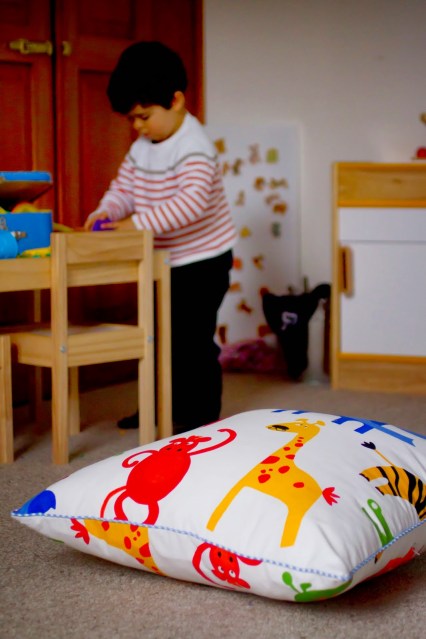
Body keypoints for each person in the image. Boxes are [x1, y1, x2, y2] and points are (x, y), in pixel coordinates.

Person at [84, 41, 237, 433]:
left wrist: (134, 225)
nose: (138, 126)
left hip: (202, 261)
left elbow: (191, 204)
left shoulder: (194, 147)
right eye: (132, 119)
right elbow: (124, 188)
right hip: (162, 260)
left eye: (144, 116)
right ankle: (158, 406)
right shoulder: (142, 147)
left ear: (176, 100)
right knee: (155, 338)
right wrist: (107, 210)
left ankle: (200, 420)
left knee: (191, 341)